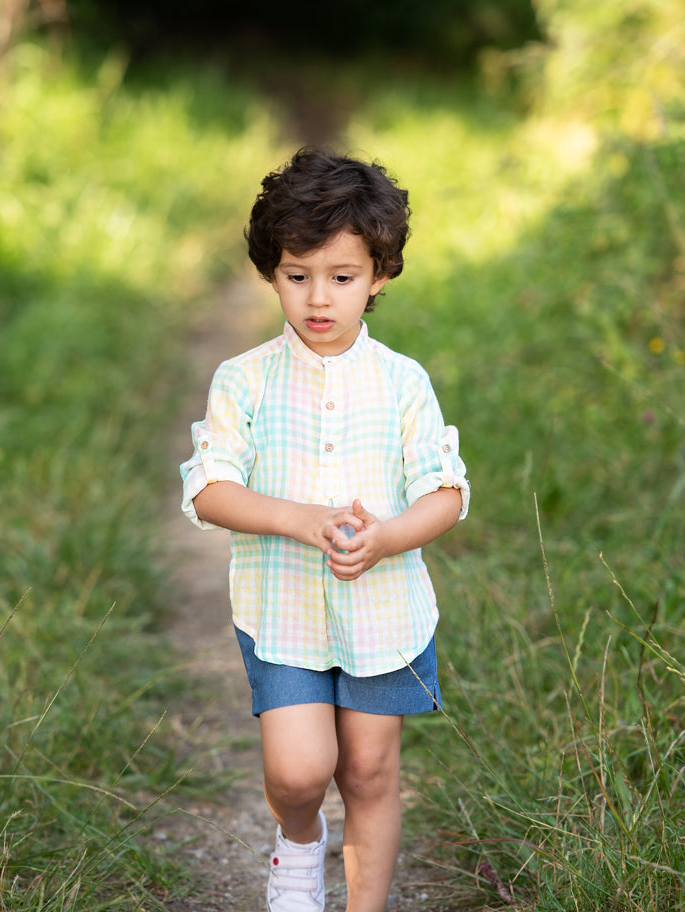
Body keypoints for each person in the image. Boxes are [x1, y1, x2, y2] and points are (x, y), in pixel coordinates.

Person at [179, 146, 469, 912]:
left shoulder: (403, 382)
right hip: (285, 613)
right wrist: (297, 519)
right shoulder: (243, 379)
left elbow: (445, 493)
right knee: (300, 772)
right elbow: (209, 490)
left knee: (370, 771)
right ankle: (299, 845)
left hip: (384, 614)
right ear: (271, 272)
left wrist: (388, 536)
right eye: (296, 275)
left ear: (378, 276)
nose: (318, 297)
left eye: (341, 278)